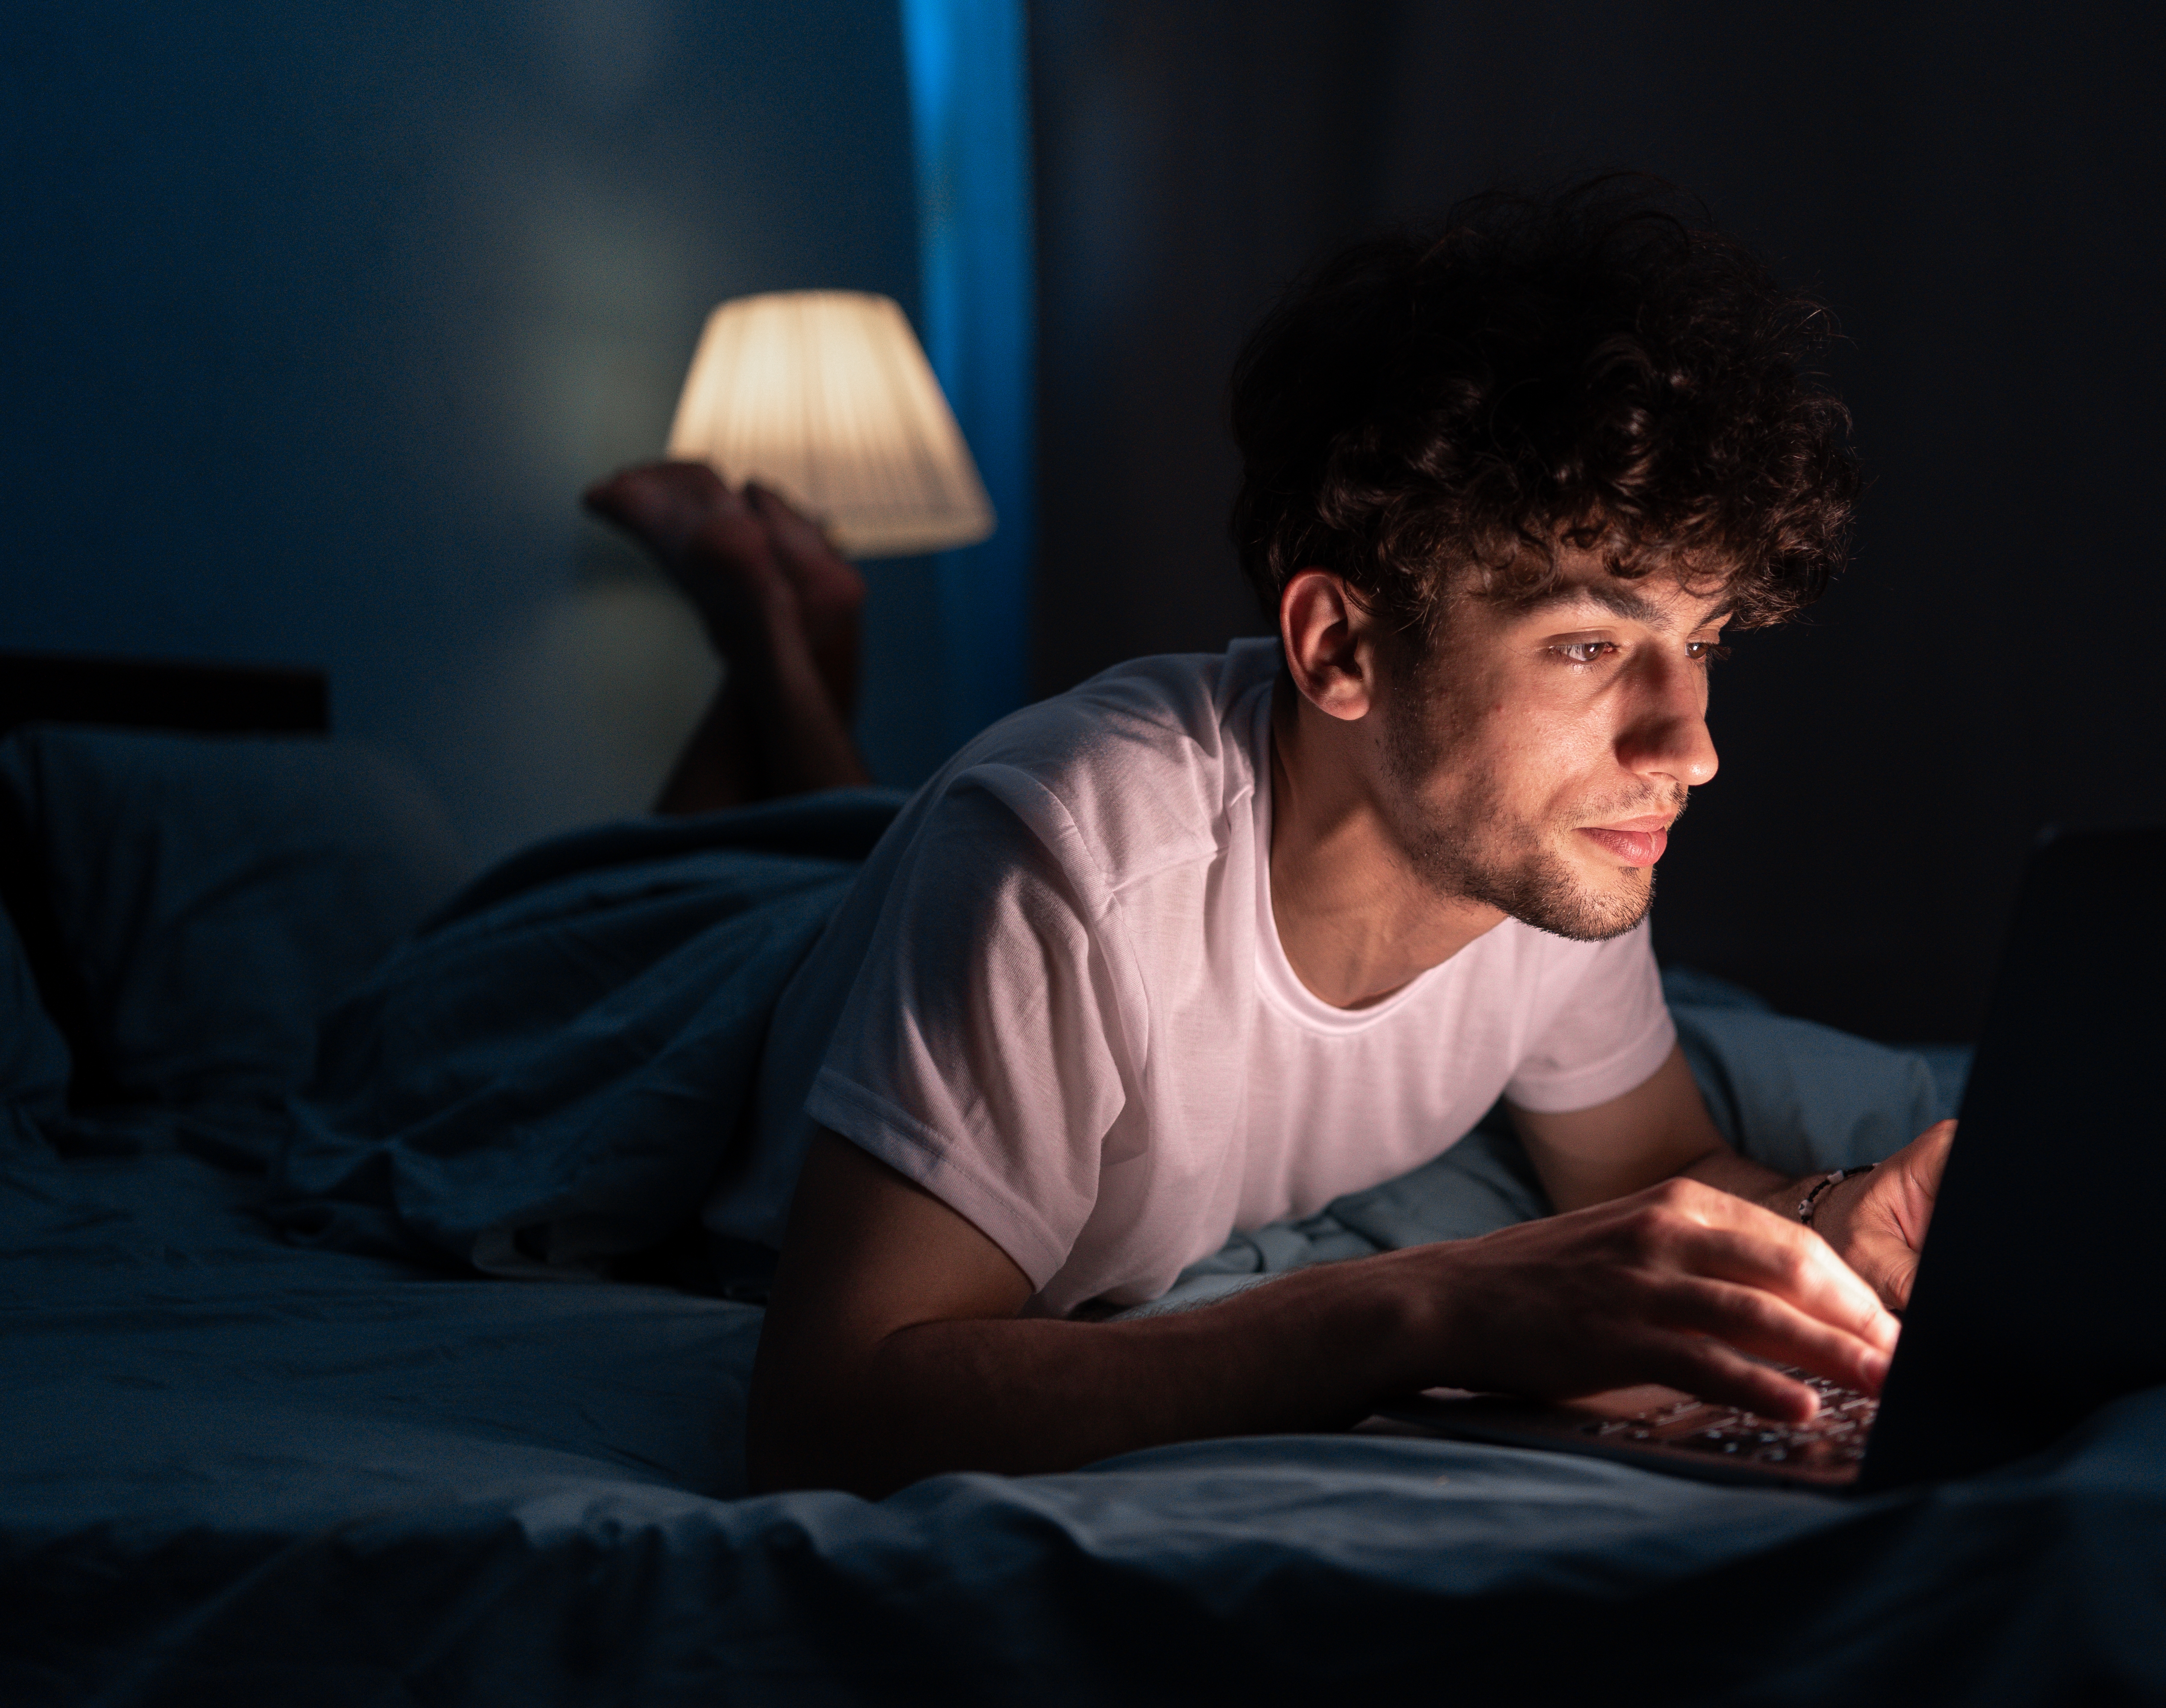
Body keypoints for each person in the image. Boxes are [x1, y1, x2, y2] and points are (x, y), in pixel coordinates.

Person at [586, 184, 1955, 1500]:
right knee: (719, 881)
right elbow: (826, 1419)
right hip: (704, 989)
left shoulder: (1553, 844)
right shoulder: (1063, 856)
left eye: (1700, 645)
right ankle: (777, 638)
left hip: (894, 890)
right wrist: (1418, 1308)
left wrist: (1837, 1219)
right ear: (1339, 645)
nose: (1689, 750)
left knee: (844, 836)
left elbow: (1654, 1176)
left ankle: (789, 647)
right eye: (1591, 646)